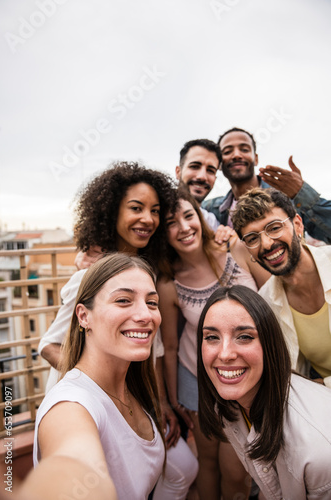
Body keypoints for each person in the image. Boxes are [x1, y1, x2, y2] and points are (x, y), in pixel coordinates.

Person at [38, 162, 198, 499]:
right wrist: (97, 388)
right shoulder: (89, 276)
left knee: (182, 467)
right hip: (100, 394)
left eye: (155, 211)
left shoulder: (148, 270)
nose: (148, 219)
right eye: (136, 208)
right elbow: (48, 345)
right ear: (112, 211)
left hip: (136, 397)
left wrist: (160, 404)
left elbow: (151, 351)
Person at [156, 186, 269, 500]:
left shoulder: (236, 248)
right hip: (198, 380)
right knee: (208, 462)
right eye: (170, 223)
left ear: (200, 217)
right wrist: (175, 400)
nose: (184, 227)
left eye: (188, 216)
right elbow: (170, 347)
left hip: (250, 374)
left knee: (238, 470)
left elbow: (274, 300)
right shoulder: (169, 283)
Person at [34, 254, 165, 500]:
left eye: (152, 302)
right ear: (84, 316)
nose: (145, 315)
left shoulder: (132, 385)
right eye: (124, 300)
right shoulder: (70, 407)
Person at [197, 285, 331, 500]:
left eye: (244, 337)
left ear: (270, 345)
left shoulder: (320, 452)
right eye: (212, 337)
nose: (224, 354)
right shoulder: (232, 404)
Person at [231, 187, 331, 388]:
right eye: (252, 238)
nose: (266, 244)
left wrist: (323, 384)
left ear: (297, 224)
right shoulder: (266, 303)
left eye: (274, 227)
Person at [202, 127, 331, 245]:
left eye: (244, 149)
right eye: (228, 151)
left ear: (256, 158)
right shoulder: (210, 209)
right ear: (219, 163)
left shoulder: (288, 198)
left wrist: (302, 194)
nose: (236, 155)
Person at [175, 138, 221, 232]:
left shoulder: (212, 223)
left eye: (210, 170)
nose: (202, 177)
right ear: (178, 172)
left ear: (215, 179)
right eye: (194, 166)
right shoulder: (157, 212)